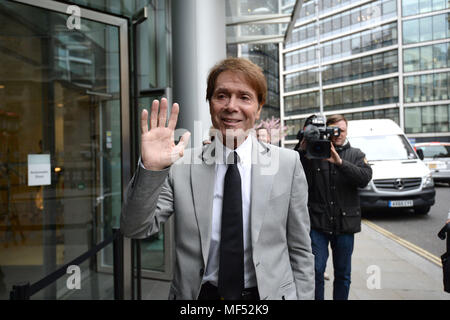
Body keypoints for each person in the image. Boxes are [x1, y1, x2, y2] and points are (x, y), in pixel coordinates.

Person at [121, 57, 314, 300]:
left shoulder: (287, 164)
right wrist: (150, 169)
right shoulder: (182, 166)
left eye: (244, 97)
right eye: (221, 95)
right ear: (210, 103)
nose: (231, 106)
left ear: (259, 107)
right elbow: (134, 227)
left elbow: (300, 250)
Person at [296, 114, 372, 300]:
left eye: (342, 131)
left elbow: (364, 178)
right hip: (317, 223)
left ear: (347, 131)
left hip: (345, 224)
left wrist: (339, 162)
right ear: (326, 131)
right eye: (333, 131)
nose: (338, 134)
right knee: (316, 271)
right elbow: (294, 170)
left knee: (343, 274)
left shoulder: (356, 154)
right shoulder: (314, 152)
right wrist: (302, 147)